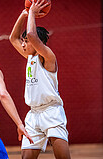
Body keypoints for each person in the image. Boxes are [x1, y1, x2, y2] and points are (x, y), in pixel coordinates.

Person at [9, 0, 71, 158]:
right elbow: (13, 38)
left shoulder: (47, 56)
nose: (23, 44)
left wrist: (32, 12)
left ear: (39, 43)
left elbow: (31, 34)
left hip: (51, 112)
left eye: (26, 42)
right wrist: (24, 14)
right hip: (33, 114)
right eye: (23, 41)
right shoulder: (29, 57)